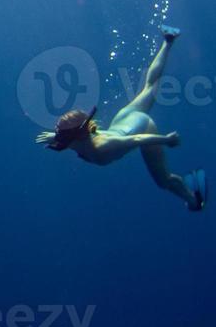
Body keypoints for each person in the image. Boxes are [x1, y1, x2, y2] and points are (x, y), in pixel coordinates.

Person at [37, 27, 207, 211]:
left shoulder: (103, 147)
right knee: (149, 87)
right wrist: (56, 136)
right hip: (123, 119)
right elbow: (66, 138)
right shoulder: (73, 140)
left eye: (60, 135)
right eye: (58, 133)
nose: (58, 138)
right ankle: (168, 40)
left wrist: (166, 139)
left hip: (142, 126)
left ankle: (193, 200)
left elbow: (136, 139)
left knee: (163, 180)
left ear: (76, 136)